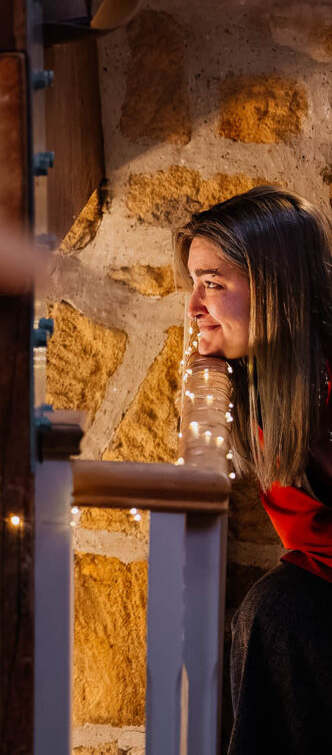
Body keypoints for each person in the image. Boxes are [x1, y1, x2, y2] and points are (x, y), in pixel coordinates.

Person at [174, 185, 332, 753]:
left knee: (275, 615)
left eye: (213, 284)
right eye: (194, 282)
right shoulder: (259, 384)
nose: (194, 306)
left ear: (273, 287)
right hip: (313, 585)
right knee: (266, 616)